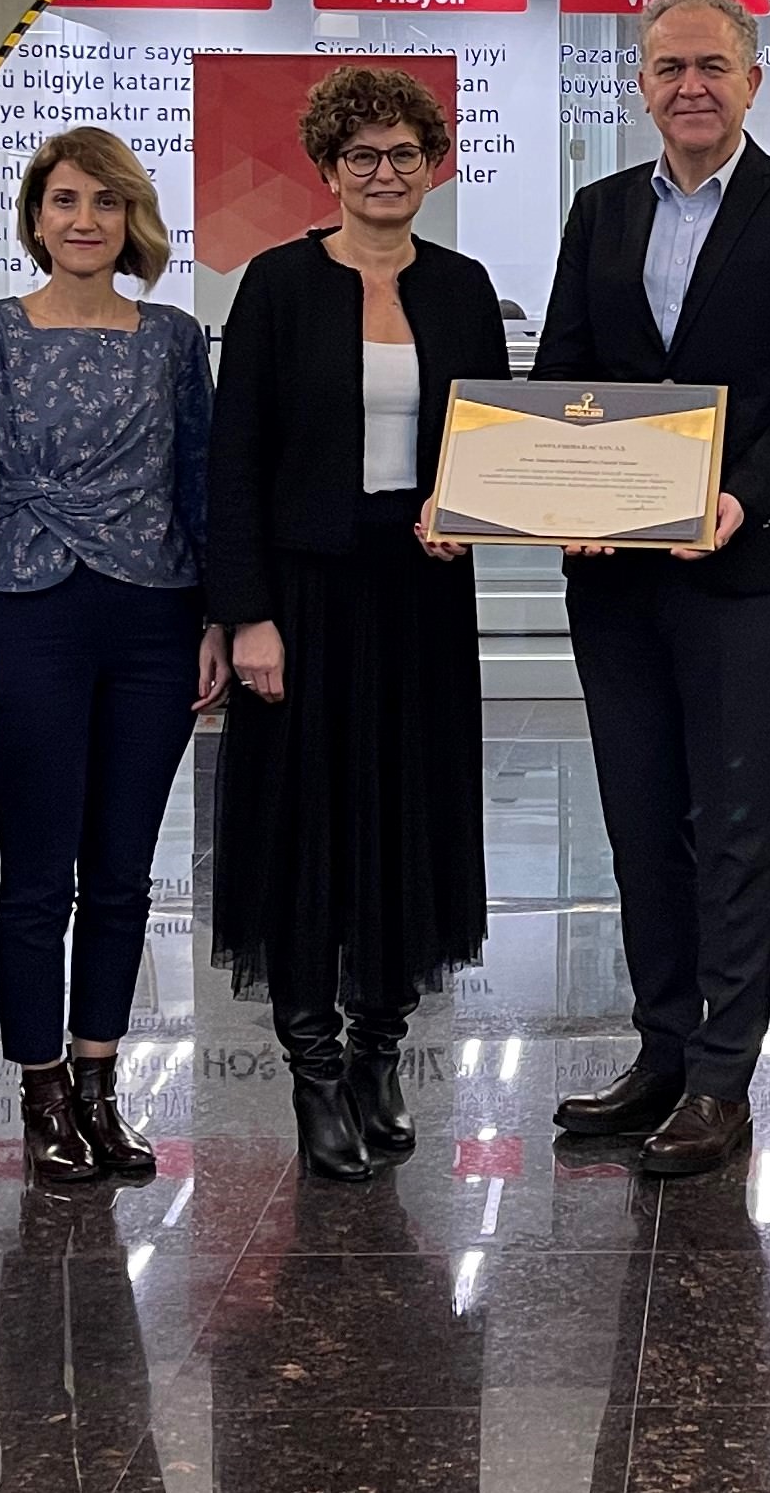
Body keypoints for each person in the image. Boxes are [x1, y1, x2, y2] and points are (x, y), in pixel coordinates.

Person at [536, 0, 770, 1177]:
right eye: (669, 67)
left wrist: (742, 496)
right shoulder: (602, 210)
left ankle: (724, 1075)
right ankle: (664, 1051)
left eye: (713, 67)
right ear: (640, 84)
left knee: (733, 821)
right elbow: (565, 369)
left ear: (752, 81)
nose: (691, 86)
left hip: (749, 566)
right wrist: (565, 495)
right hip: (617, 574)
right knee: (638, 818)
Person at [205, 65, 508, 1180]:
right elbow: (234, 460)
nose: (386, 173)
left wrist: (475, 513)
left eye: (405, 154)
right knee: (303, 826)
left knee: (406, 817)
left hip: (421, 590)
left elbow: (490, 440)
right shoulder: (278, 284)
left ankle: (381, 1051)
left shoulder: (464, 287)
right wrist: (246, 616)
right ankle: (315, 1070)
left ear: (434, 166)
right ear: (328, 170)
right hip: (303, 595)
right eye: (362, 156)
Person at [0, 125, 227, 1186]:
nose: (85, 220)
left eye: (105, 201)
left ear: (132, 217)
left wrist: (216, 620)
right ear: (35, 218)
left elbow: (200, 483)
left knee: (123, 872)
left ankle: (100, 1083)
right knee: (35, 872)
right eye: (64, 200)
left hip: (154, 619)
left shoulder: (171, 338)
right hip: (27, 614)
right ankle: (41, 1089)